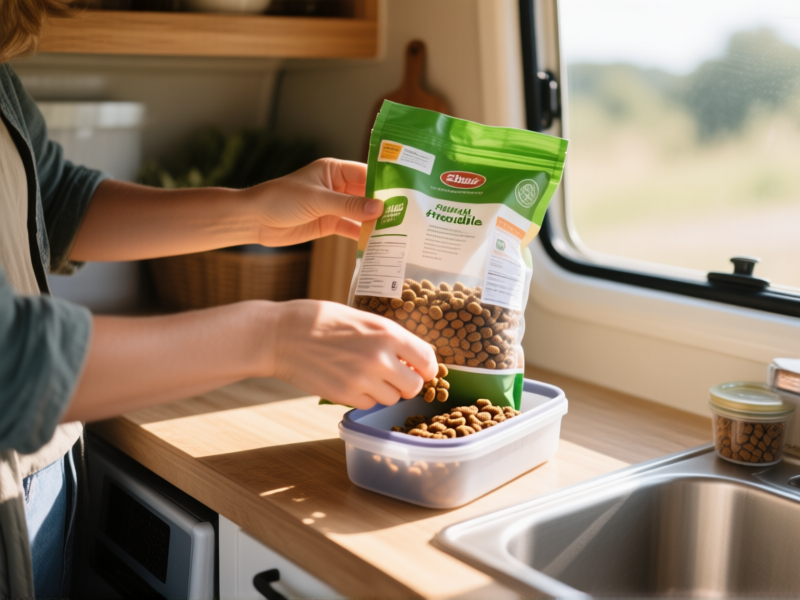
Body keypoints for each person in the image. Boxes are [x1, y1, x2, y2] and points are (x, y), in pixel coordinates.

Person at [0, 3, 437, 597]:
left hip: (39, 476)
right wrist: (273, 337)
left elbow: (54, 200)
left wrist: (252, 212)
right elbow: (10, 356)